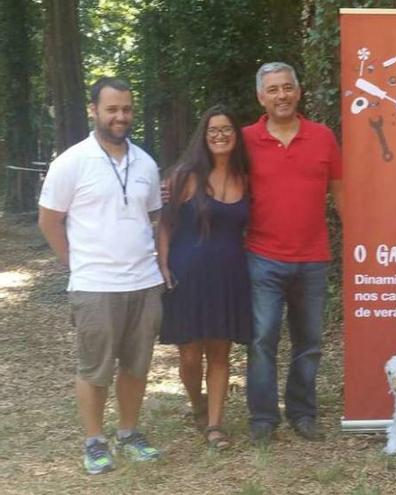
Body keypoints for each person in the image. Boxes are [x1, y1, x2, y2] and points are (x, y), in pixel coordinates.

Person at [38, 77, 163, 474]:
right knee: (95, 368)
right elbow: (49, 221)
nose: (120, 117)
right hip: (94, 287)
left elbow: (154, 217)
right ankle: (94, 441)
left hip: (144, 283)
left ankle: (128, 432)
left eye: (126, 109)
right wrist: (74, 265)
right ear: (94, 110)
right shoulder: (71, 162)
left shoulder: (145, 162)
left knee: (137, 365)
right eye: (112, 109)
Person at [244, 62, 343, 445]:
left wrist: (356, 239)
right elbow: (216, 179)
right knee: (262, 340)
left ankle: (302, 412)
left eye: (287, 87)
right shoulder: (245, 139)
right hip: (262, 256)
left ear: (298, 92)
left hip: (312, 258)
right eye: (273, 89)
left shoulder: (322, 137)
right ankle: (264, 417)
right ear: (261, 97)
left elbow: (340, 194)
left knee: (309, 342)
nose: (281, 95)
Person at [158, 105, 252, 450]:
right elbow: (165, 224)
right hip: (187, 274)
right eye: (213, 130)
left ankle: (214, 425)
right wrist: (164, 265)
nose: (220, 135)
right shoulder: (185, 176)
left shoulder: (245, 177)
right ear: (204, 135)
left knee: (220, 353)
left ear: (236, 135)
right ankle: (196, 402)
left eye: (227, 129)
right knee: (188, 355)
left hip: (229, 275)